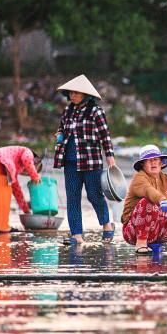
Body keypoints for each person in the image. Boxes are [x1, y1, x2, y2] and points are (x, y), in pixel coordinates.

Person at [53, 75, 115, 245]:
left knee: (94, 195)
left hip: (91, 162)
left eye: (76, 93)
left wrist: (110, 156)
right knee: (72, 198)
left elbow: (105, 136)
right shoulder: (68, 111)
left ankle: (107, 225)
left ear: (86, 95)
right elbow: (61, 128)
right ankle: (77, 235)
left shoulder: (96, 112)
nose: (73, 96)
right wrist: (59, 134)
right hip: (70, 162)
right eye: (71, 93)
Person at [121, 145, 167, 255]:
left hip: (161, 230)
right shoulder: (139, 178)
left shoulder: (166, 179)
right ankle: (141, 244)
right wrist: (161, 199)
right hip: (133, 232)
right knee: (147, 202)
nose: (153, 163)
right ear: (143, 164)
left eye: (156, 159)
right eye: (149, 160)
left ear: (161, 163)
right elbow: (148, 191)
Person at [0, 146, 42, 233]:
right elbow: (27, 159)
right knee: (4, 196)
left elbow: (17, 191)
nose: (26, 172)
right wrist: (35, 176)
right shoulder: (27, 152)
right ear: (35, 162)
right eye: (33, 169)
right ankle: (3, 227)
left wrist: (26, 210)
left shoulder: (13, 168)